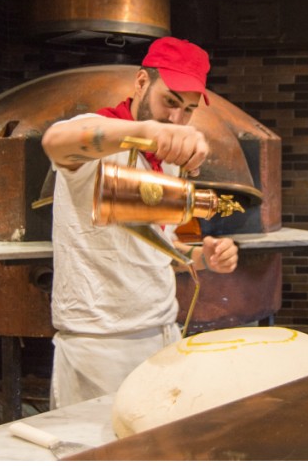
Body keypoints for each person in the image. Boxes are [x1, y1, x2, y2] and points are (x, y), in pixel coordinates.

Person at [40, 36, 240, 409]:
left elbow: (157, 246)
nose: (176, 119)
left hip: (162, 331)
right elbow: (55, 141)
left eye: (188, 111)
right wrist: (147, 132)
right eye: (170, 102)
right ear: (141, 82)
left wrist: (201, 257)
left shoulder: (165, 161)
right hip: (99, 342)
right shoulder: (99, 131)